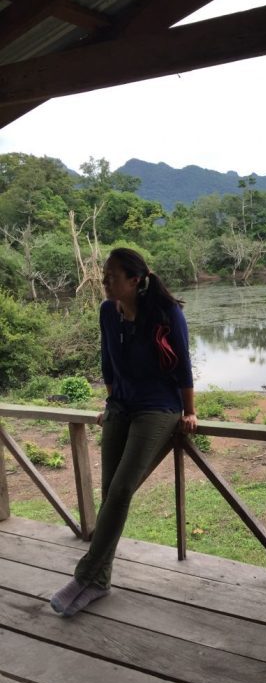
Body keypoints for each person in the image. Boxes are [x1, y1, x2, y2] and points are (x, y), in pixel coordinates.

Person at [51, 247, 197, 617]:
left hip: (158, 408)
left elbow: (183, 366)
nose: (104, 282)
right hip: (121, 407)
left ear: (134, 280)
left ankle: (84, 576)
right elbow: (107, 362)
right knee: (109, 491)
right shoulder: (106, 312)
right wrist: (112, 401)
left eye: (112, 276)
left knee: (120, 490)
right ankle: (99, 582)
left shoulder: (166, 313)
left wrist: (191, 412)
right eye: (104, 276)